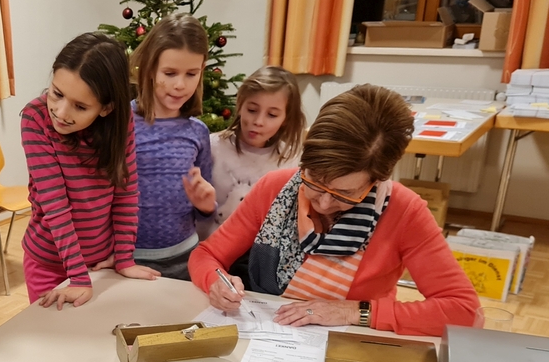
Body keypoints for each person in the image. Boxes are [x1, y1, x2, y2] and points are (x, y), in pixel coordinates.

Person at [189, 84, 479, 336]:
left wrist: (353, 312)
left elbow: (464, 310)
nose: (324, 203)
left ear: (377, 180)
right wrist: (217, 281)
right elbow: (207, 255)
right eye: (314, 181)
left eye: (346, 193)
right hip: (263, 335)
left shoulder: (404, 211)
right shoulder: (275, 187)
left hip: (348, 347)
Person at [20, 32, 160, 309]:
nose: (61, 112)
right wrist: (77, 277)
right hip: (49, 264)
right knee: (52, 333)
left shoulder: (121, 121)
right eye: (57, 93)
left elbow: (125, 191)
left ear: (106, 109)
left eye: (80, 106)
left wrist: (124, 258)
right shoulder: (35, 118)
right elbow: (55, 205)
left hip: (100, 265)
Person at [129, 13, 215, 280]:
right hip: (129, 261)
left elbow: (204, 206)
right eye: (170, 73)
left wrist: (206, 206)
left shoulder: (198, 132)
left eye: (191, 74)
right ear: (149, 68)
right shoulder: (121, 123)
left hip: (186, 258)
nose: (180, 85)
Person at [201, 66, 305, 239]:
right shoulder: (212, 146)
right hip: (209, 247)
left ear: (286, 119)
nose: (258, 121)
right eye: (252, 110)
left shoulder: (291, 160)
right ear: (240, 105)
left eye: (272, 115)